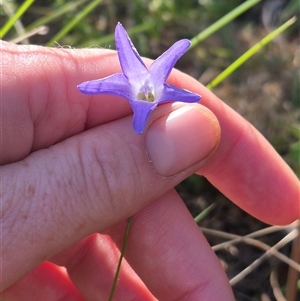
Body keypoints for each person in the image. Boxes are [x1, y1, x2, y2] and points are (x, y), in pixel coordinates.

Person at [1, 40, 299, 301]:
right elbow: (94, 89)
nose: (145, 95)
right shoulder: (136, 99)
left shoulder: (156, 93)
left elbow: (183, 96)